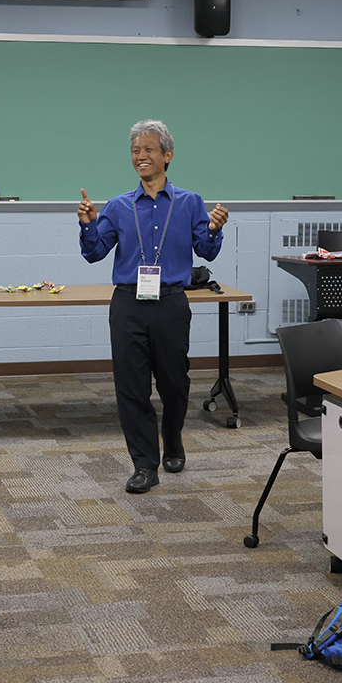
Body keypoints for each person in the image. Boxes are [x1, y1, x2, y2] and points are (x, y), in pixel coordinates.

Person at [77, 119, 228, 494]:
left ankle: (172, 439)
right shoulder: (118, 205)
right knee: (131, 388)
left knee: (175, 384)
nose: (140, 156)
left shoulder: (190, 202)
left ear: (167, 155)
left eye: (147, 150)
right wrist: (88, 225)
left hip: (171, 304)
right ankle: (144, 464)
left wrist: (213, 229)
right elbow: (95, 254)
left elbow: (206, 251)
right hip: (127, 303)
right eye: (134, 151)